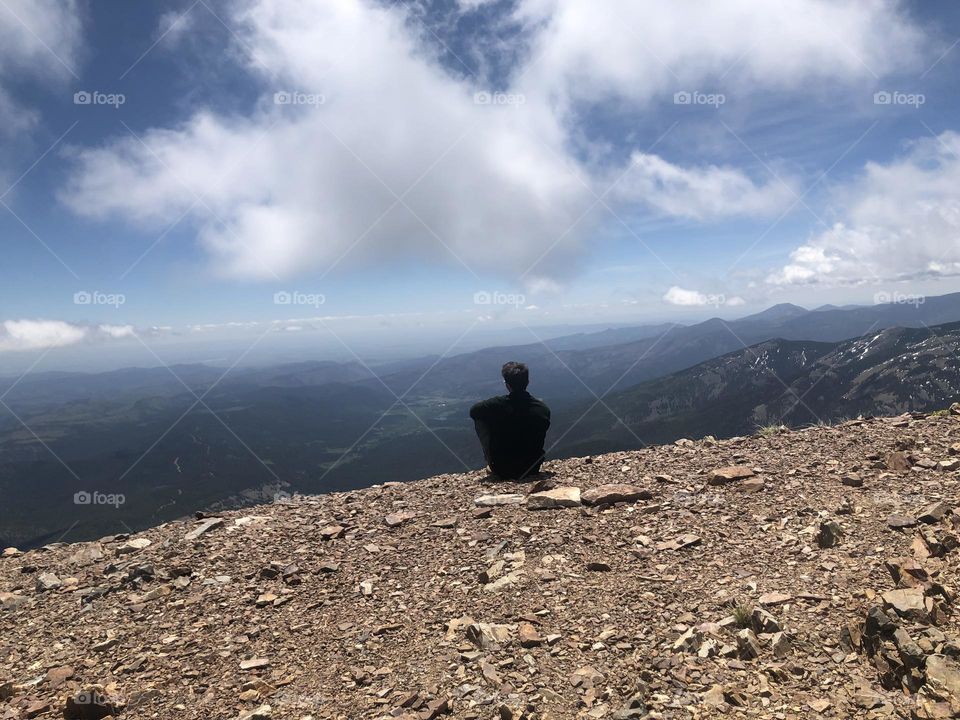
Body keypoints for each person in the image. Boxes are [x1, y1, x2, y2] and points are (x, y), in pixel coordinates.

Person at [469, 361, 551, 480]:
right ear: (527, 382)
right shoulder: (542, 409)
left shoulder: (497, 405)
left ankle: (491, 460)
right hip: (532, 467)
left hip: (501, 469)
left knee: (481, 419)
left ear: (507, 384)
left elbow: (474, 411)